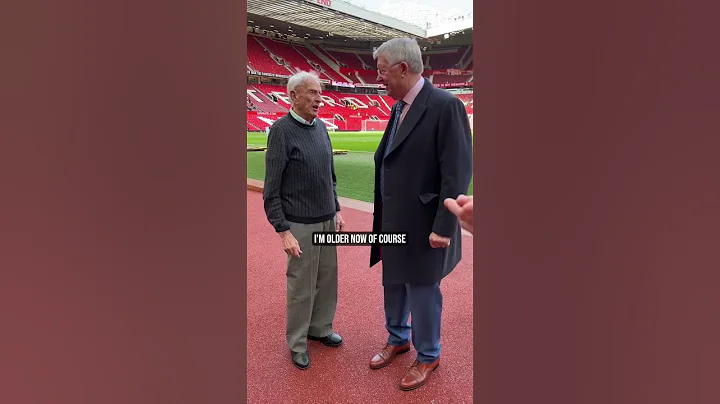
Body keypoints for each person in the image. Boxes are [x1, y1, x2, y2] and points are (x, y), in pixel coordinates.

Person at [367, 38, 473, 391]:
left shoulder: (445, 106)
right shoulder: (399, 107)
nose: (378, 79)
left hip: (426, 223)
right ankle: (398, 337)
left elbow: (455, 172)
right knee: (393, 281)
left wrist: (444, 227)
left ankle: (428, 354)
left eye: (382, 72)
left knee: (423, 290)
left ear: (403, 68)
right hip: (393, 218)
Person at [262, 70, 346, 370]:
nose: (318, 98)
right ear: (293, 95)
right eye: (311, 92)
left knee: (327, 280)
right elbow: (271, 188)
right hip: (300, 224)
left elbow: (329, 175)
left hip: (326, 219)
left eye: (320, 92)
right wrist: (283, 231)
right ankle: (297, 343)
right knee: (301, 285)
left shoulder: (321, 127)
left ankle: (320, 328)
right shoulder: (281, 132)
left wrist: (336, 209)